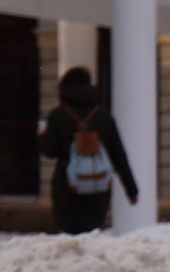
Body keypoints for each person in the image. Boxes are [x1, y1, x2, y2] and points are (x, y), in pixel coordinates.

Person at [38, 68, 140, 234]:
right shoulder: (104, 117)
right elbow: (119, 156)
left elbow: (50, 151)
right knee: (93, 235)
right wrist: (132, 190)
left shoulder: (58, 116)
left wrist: (41, 137)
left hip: (67, 188)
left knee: (69, 236)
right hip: (98, 189)